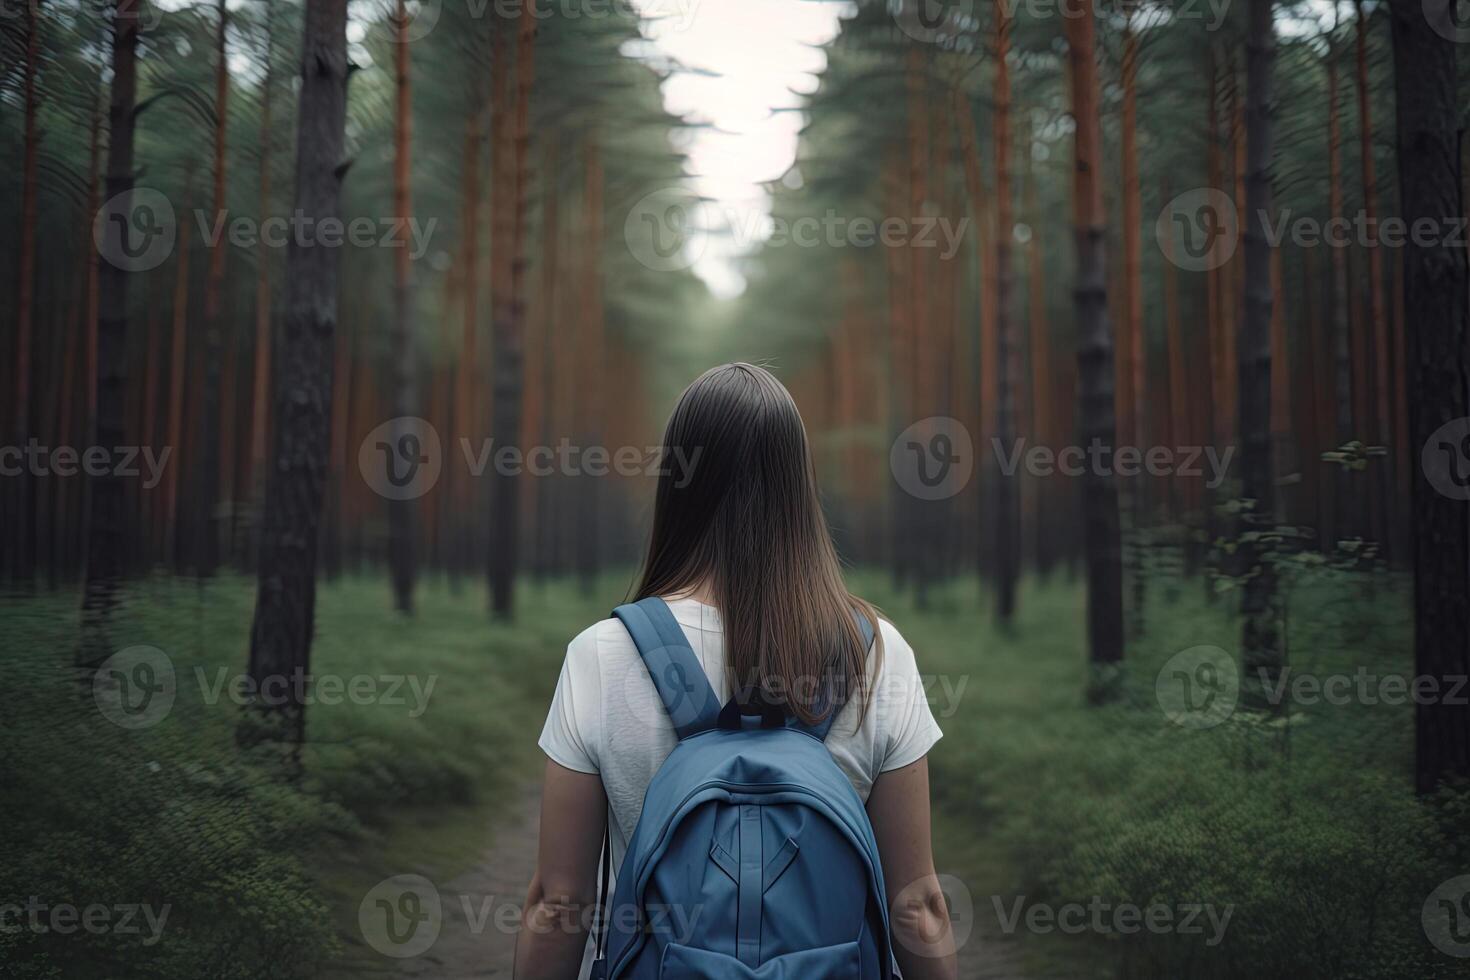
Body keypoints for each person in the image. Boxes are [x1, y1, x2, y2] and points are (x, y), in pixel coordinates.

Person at [514, 362, 956, 980]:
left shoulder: (601, 653)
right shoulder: (876, 654)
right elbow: (918, 906)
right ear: (800, 487)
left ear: (677, 484)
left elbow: (560, 904)